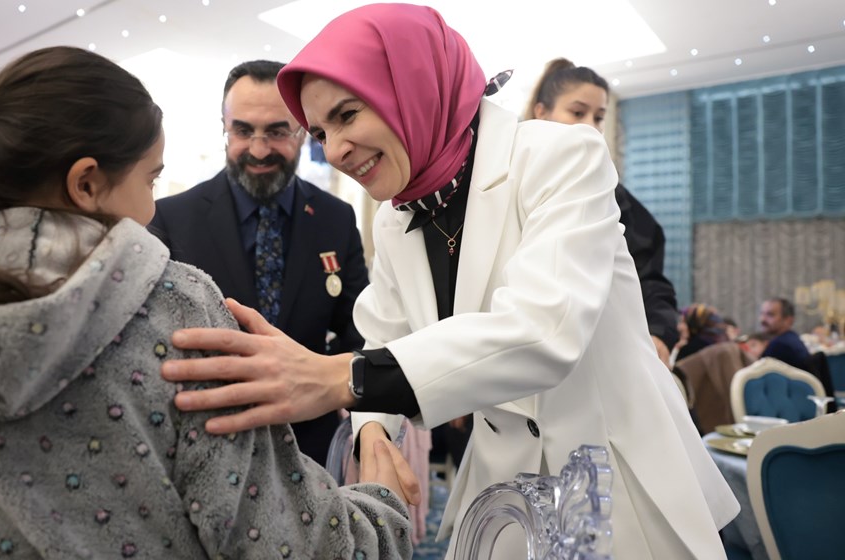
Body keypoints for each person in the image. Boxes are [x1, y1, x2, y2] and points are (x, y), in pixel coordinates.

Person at [160, 4, 738, 558]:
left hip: (611, 476)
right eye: (318, 133)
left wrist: (341, 380)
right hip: (502, 488)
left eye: (346, 115)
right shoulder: (395, 215)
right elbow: (381, 336)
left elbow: (544, 331)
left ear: (411, 85)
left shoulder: (562, 157)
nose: (334, 150)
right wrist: (372, 435)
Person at [0, 46, 412, 560]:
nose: (152, 209)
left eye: (278, 130)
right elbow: (282, 542)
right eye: (151, 179)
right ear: (86, 183)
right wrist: (382, 513)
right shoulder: (174, 308)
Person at [149, 60, 368, 466]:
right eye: (244, 130)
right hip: (204, 446)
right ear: (224, 128)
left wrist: (361, 413)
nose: (259, 149)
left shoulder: (336, 218)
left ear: (303, 131)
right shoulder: (171, 219)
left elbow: (361, 330)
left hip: (311, 452)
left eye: (277, 131)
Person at [524, 58, 680, 366]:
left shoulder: (615, 197)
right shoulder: (503, 183)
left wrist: (659, 333)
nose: (590, 127)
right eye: (577, 112)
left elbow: (649, 278)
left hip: (601, 356)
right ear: (541, 112)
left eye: (599, 117)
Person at [758, 296, 811, 370]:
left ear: (788, 320)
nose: (762, 319)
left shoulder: (780, 346)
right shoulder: (791, 338)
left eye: (770, 314)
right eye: (762, 314)